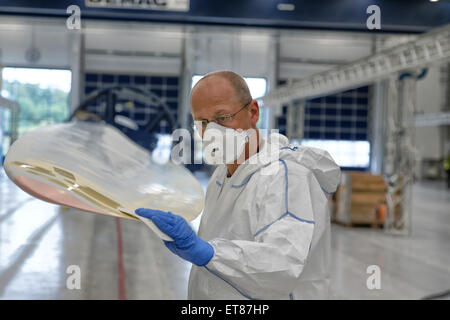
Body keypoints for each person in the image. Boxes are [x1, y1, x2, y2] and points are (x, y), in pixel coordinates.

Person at [136, 71, 341, 300]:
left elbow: (283, 263)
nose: (212, 132)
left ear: (253, 113)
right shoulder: (222, 175)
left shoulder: (284, 176)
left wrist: (208, 253)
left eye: (223, 118)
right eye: (203, 123)